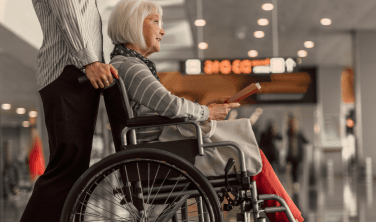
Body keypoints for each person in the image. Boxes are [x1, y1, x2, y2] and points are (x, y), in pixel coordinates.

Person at [106, 1, 304, 221]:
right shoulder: (131, 67)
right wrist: (207, 112)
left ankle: (290, 218)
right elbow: (171, 106)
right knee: (250, 154)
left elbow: (165, 106)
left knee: (251, 156)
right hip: (166, 153)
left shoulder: (124, 64)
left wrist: (206, 109)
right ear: (133, 24)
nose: (162, 30)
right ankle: (291, 218)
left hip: (162, 150)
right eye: (155, 22)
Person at [20, 0, 119, 221]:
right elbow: (69, 11)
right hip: (69, 70)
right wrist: (90, 61)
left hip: (76, 72)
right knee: (66, 167)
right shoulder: (83, 64)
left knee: (72, 169)